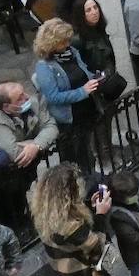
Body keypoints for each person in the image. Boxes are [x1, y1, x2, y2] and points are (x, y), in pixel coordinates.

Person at [32, 19, 103, 174]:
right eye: (63, 41)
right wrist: (82, 92)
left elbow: (83, 71)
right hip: (68, 119)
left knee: (87, 153)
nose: (67, 43)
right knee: (72, 159)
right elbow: (53, 97)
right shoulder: (44, 67)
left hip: (86, 110)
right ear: (52, 43)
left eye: (68, 40)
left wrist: (95, 78)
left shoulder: (71, 52)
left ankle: (90, 180)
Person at [0, 82, 60, 184]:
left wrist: (36, 145)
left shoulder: (34, 103)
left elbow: (51, 127)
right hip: (7, 177)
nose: (27, 97)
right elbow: (15, 154)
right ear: (6, 107)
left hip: (31, 166)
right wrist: (38, 142)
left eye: (24, 92)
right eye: (20, 98)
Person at [70, 0, 118, 77]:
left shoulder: (100, 30)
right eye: (88, 10)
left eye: (95, 7)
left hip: (108, 77)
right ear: (81, 14)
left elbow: (109, 58)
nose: (94, 12)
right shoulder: (77, 40)